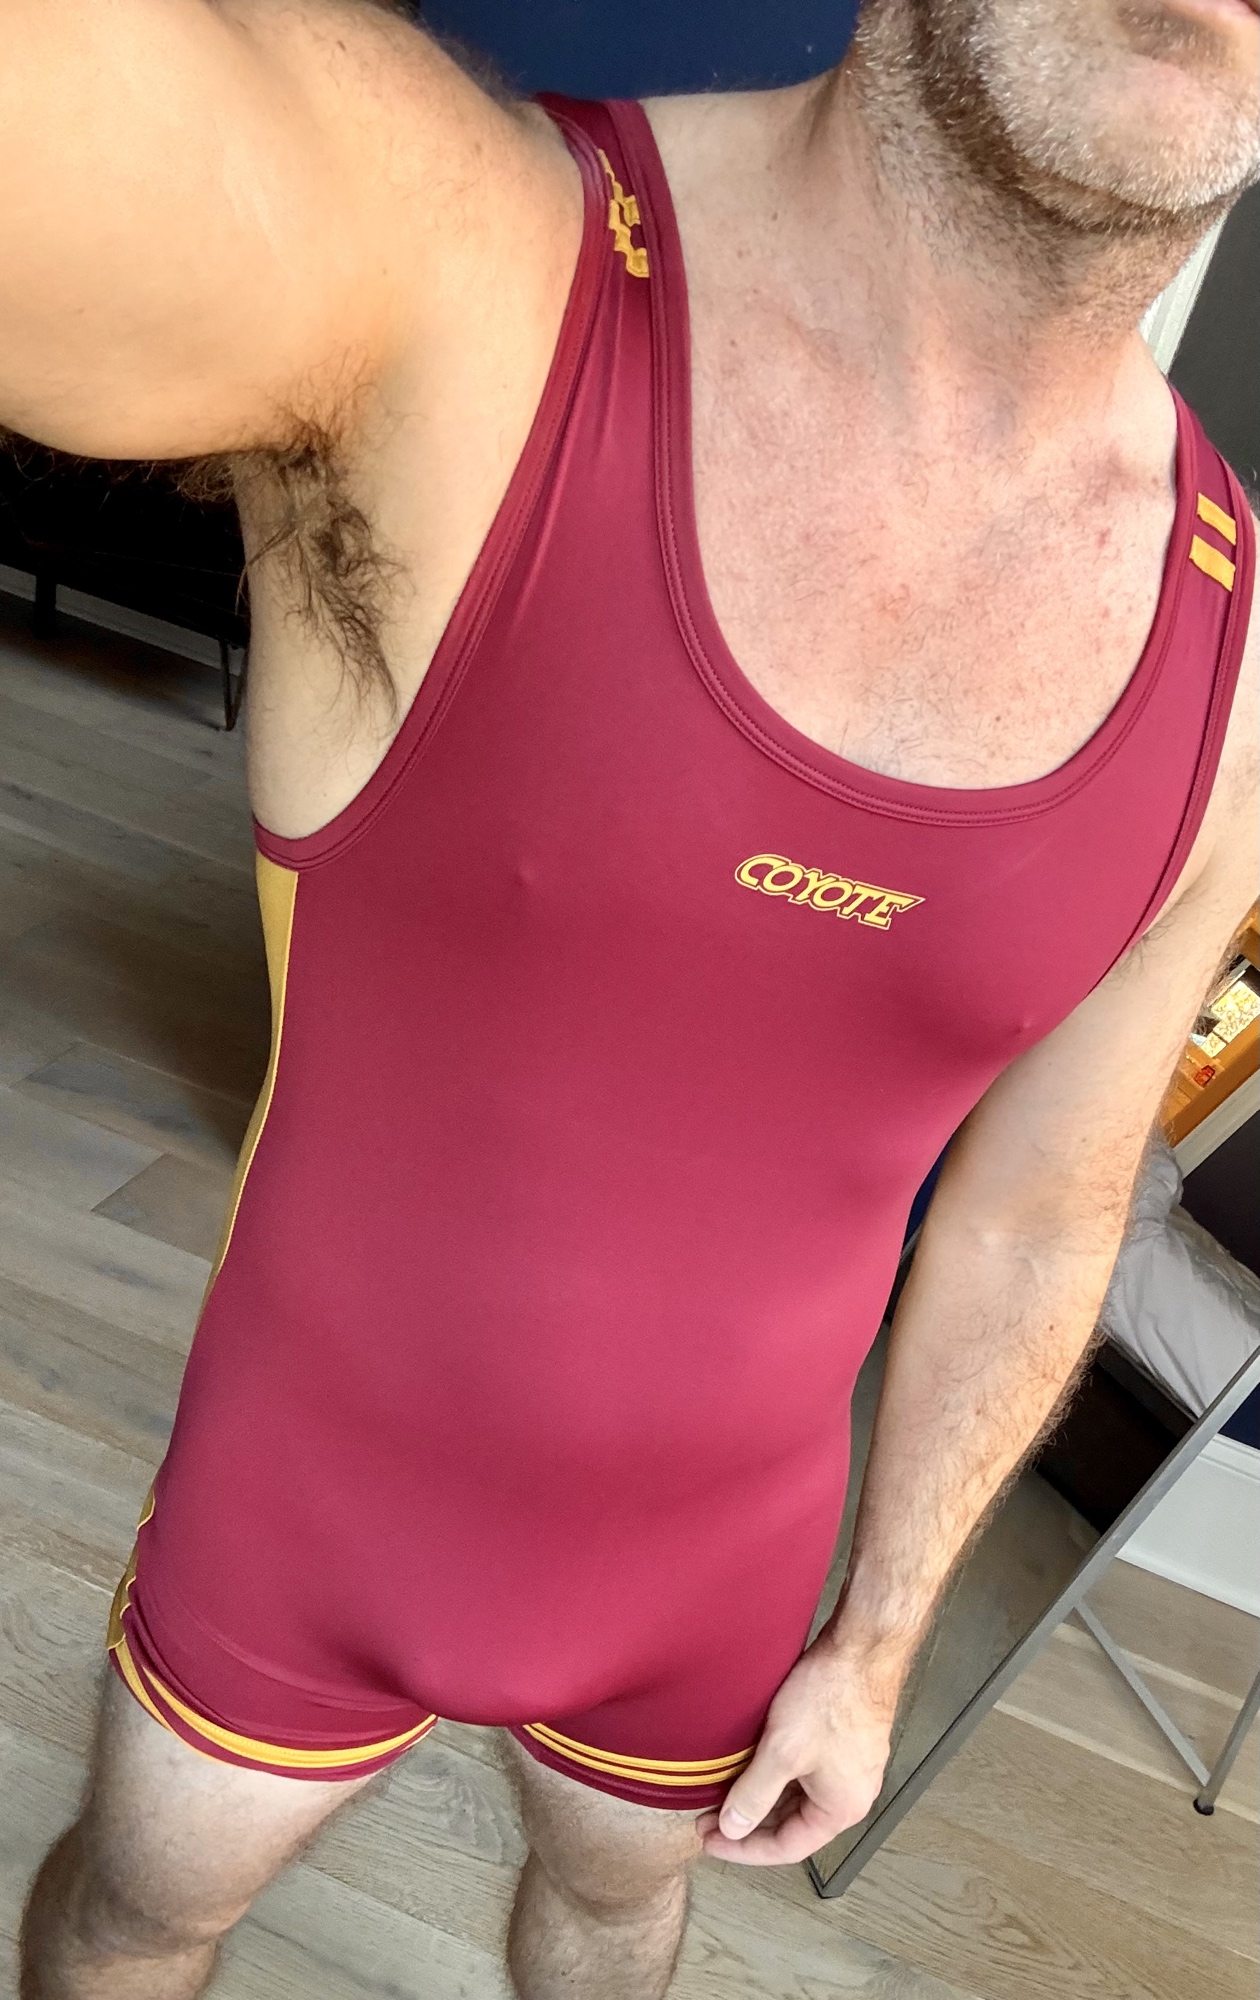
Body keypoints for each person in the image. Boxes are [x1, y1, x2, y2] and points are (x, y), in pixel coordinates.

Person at [11, 1, 1258, 1995]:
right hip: (306, 1497)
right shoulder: (461, 265)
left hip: (714, 1579)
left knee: (614, 1918)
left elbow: (1042, 1211)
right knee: (135, 1917)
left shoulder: (1231, 657)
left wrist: (879, 1636)